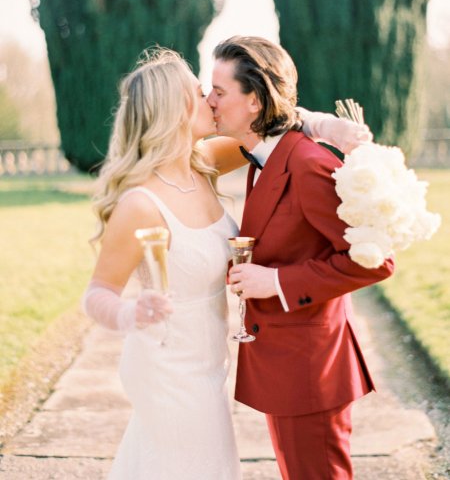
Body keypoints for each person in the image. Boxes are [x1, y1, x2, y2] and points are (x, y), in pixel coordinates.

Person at [82, 48, 372, 480]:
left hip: (210, 365)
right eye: (202, 93)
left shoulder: (204, 164)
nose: (212, 101)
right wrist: (131, 311)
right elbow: (96, 295)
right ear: (174, 111)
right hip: (166, 365)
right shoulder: (140, 203)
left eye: (215, 92)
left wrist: (325, 125)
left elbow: (271, 126)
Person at [207, 36, 395, 480]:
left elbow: (375, 259)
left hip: (312, 371)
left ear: (253, 100)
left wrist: (276, 283)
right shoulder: (262, 156)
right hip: (288, 366)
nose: (208, 100)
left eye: (218, 91)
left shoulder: (308, 164)